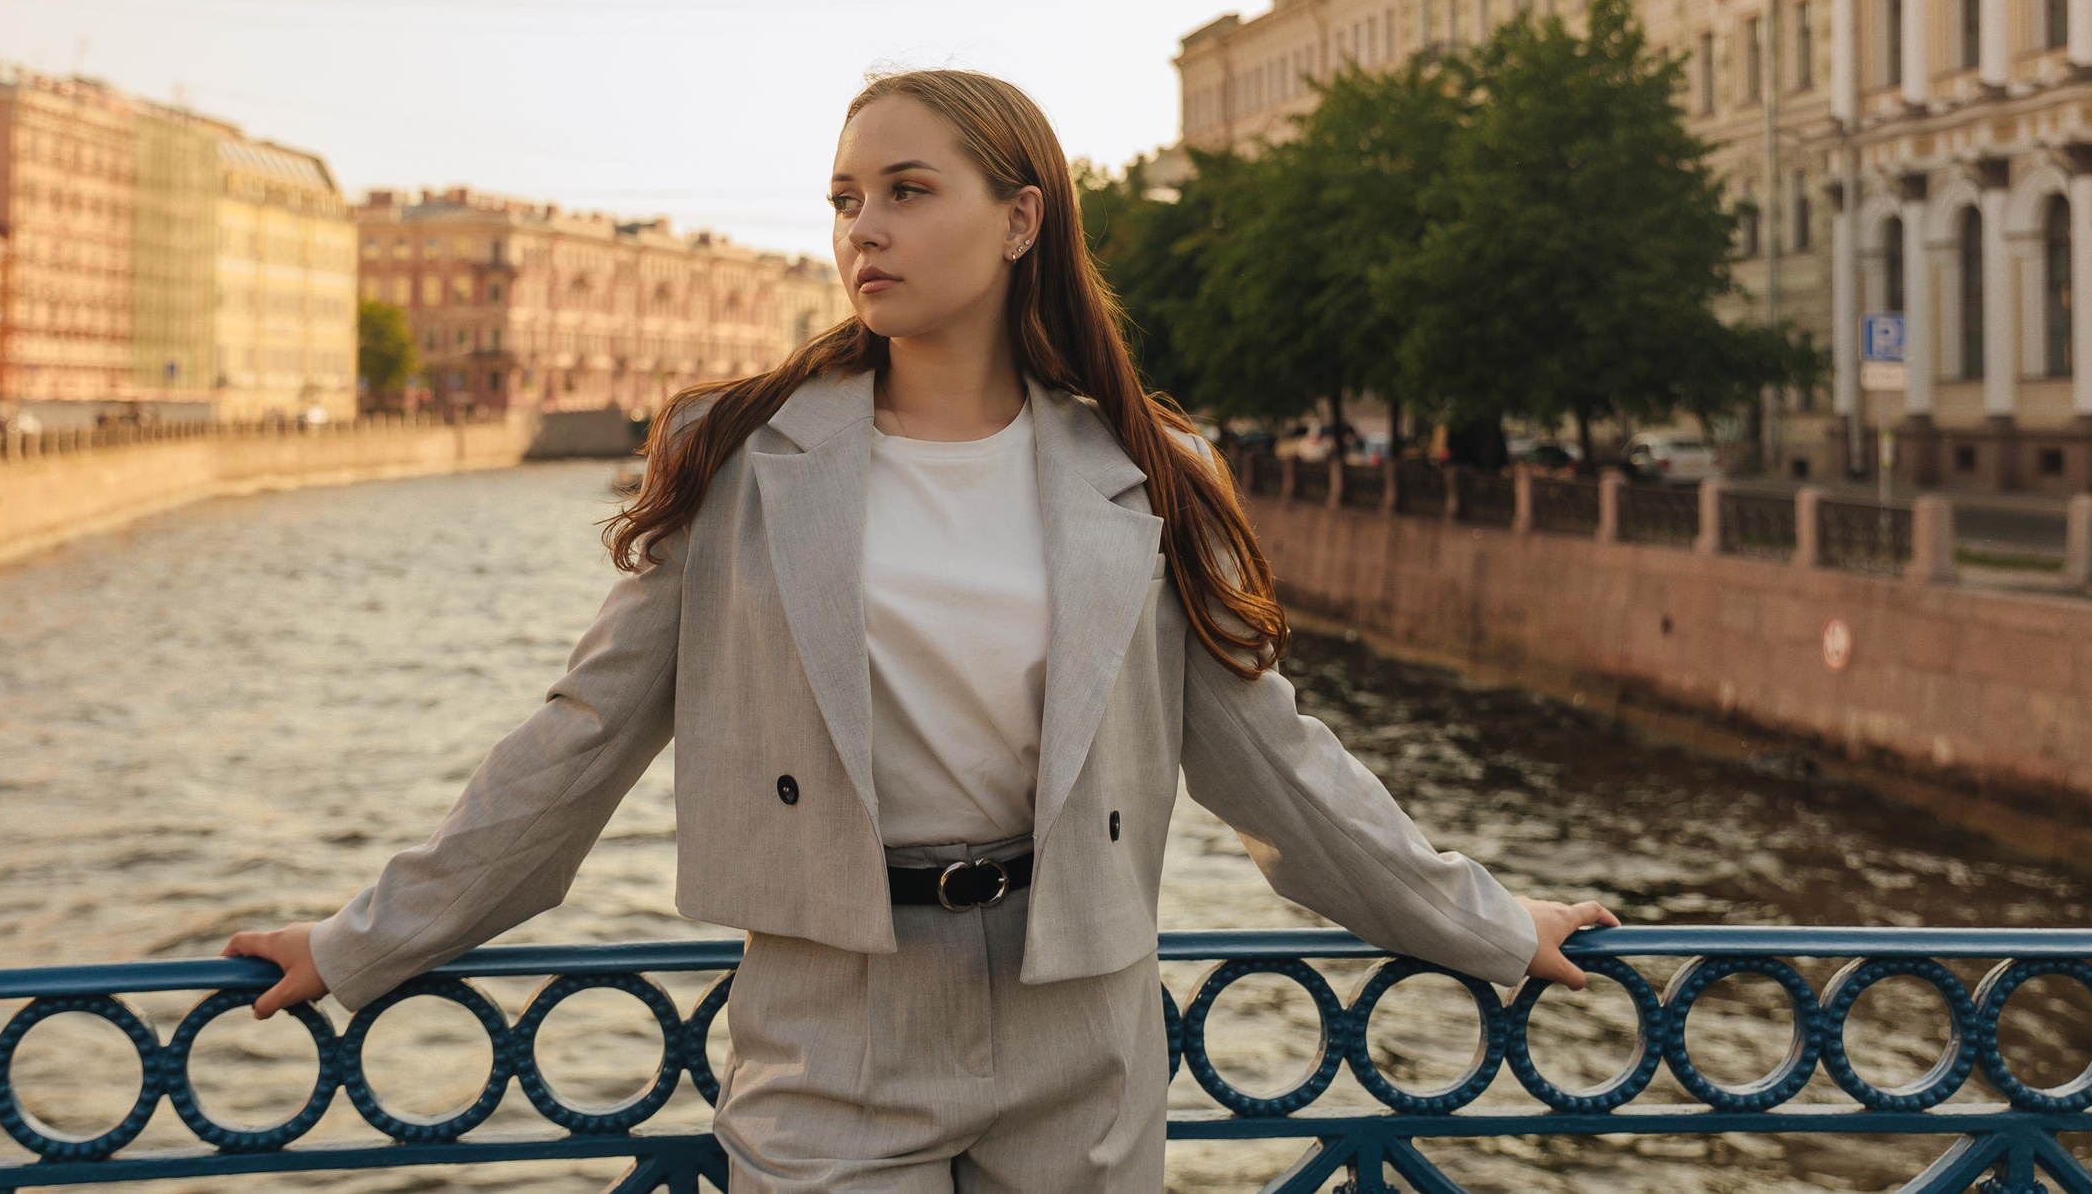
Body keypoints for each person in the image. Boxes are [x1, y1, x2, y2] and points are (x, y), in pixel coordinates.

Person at [228, 69, 1618, 1190]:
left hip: (1080, 1022)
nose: (861, 232)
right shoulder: (744, 455)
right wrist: (361, 941)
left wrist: (1489, 926)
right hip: (836, 1020)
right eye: (843, 200)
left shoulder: (1148, 468)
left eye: (905, 191)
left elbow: (1274, 768)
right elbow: (579, 741)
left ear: (1021, 222)